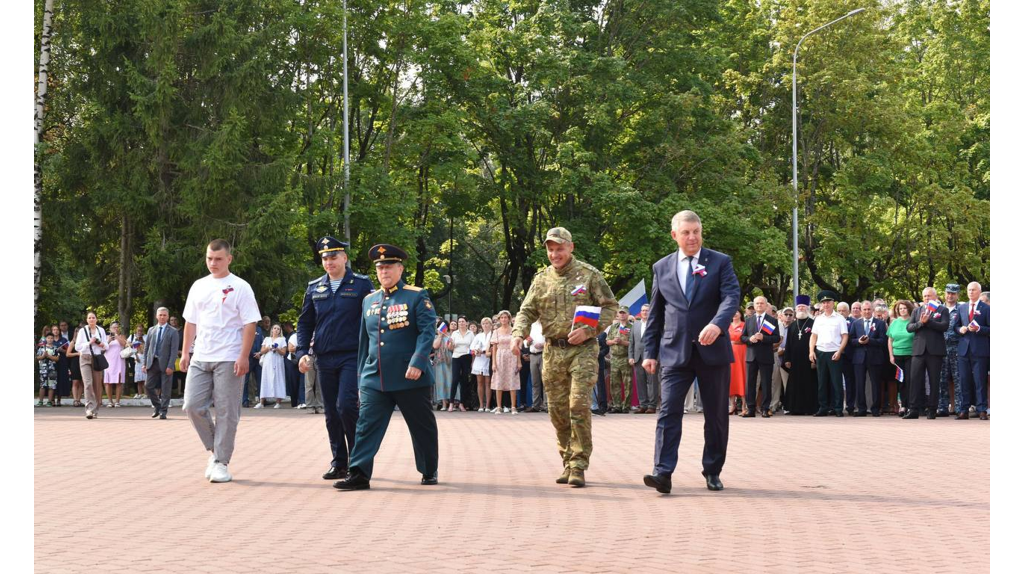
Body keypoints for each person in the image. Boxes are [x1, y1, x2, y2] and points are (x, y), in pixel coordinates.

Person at [640, 210, 739, 495]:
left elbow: (731, 297)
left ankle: (712, 470)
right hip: (674, 352)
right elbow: (656, 313)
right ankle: (663, 473)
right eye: (686, 232)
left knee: (716, 415)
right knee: (668, 412)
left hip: (713, 351)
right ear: (675, 235)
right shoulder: (662, 267)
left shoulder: (720, 262)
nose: (692, 237)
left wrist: (718, 325)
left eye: (696, 231)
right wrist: (650, 351)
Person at [510, 227, 617, 488]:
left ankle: (579, 464)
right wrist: (517, 334)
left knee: (578, 404)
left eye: (559, 248)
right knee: (557, 410)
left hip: (582, 350)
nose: (555, 254)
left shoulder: (589, 275)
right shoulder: (541, 279)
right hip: (551, 351)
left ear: (571, 247)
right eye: (550, 249)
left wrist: (589, 330)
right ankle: (567, 460)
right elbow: (526, 311)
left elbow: (611, 307)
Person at [333, 244, 440, 490]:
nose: (384, 271)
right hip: (375, 376)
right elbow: (364, 341)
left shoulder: (416, 295)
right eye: (380, 267)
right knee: (365, 426)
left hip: (409, 376)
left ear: (400, 268)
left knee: (421, 426)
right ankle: (359, 473)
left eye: (389, 266)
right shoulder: (369, 300)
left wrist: (418, 361)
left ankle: (428, 468)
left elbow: (427, 332)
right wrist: (361, 376)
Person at [180, 239, 261, 484]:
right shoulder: (198, 286)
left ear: (229, 259)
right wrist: (185, 353)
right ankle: (215, 451)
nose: (212, 263)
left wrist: (243, 355)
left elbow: (250, 323)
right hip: (201, 355)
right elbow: (190, 322)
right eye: (209, 258)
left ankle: (221, 462)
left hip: (229, 357)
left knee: (227, 412)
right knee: (192, 405)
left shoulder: (240, 287)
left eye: (217, 259)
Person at [296, 236, 375, 480]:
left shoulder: (361, 284)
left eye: (333, 257)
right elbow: (305, 323)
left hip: (352, 355)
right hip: (324, 357)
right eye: (325, 258)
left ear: (345, 258)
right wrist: (301, 353)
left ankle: (358, 461)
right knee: (331, 412)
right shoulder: (314, 287)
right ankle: (339, 462)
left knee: (346, 406)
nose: (329, 261)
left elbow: (372, 318)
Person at [903, 287, 949, 419]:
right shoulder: (917, 310)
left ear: (935, 297)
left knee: (934, 381)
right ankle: (913, 410)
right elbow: (909, 328)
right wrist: (921, 323)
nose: (927, 298)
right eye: (924, 296)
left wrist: (929, 321)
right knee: (915, 380)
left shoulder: (942, 310)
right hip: (918, 350)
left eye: (929, 296)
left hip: (935, 350)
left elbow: (944, 326)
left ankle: (932, 409)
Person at [809, 291, 848, 417]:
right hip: (820, 352)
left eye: (828, 302)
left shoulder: (840, 318)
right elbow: (813, 336)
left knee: (836, 382)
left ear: (833, 303)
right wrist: (811, 351)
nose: (826, 305)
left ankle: (838, 408)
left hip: (834, 352)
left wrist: (839, 351)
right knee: (822, 382)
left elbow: (845, 336)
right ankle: (823, 407)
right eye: (824, 302)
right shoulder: (818, 319)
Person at [741, 296, 780, 418]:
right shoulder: (748, 320)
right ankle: (750, 409)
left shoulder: (772, 320)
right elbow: (742, 337)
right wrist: (749, 339)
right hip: (751, 356)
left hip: (766, 356)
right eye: (757, 303)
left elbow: (776, 338)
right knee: (750, 384)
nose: (759, 305)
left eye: (761, 303)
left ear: (766, 305)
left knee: (766, 383)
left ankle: (765, 409)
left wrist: (764, 338)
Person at [955, 281, 990, 420]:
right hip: (964, 349)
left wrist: (979, 329)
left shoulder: (986, 308)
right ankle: (964, 410)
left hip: (980, 349)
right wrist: (960, 329)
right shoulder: (962, 307)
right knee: (964, 380)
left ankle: (982, 410)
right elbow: (955, 326)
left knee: (980, 381)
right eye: (969, 290)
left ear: (979, 292)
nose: (971, 292)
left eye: (974, 290)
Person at [847, 300, 888, 416]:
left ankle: (875, 409)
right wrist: (859, 342)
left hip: (875, 357)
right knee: (859, 384)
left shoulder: (879, 323)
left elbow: (883, 341)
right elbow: (851, 340)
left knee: (875, 384)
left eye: (869, 309)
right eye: (864, 309)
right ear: (861, 311)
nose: (867, 311)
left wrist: (870, 341)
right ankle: (861, 409)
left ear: (873, 310)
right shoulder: (856, 323)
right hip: (859, 358)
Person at [144, 308, 180, 420]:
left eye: (164, 315)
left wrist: (170, 365)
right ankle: (157, 406)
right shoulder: (151, 330)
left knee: (166, 389)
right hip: (152, 362)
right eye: (160, 315)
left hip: (166, 364)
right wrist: (145, 363)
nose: (162, 317)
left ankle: (163, 411)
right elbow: (147, 348)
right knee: (148, 386)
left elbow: (174, 351)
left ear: (168, 317)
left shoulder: (173, 331)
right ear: (156, 316)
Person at [783, 297, 817, 414]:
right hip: (795, 360)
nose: (801, 308)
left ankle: (809, 408)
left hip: (808, 359)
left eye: (803, 306)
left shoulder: (813, 324)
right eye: (799, 307)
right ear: (796, 309)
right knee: (794, 384)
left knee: (809, 383)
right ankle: (794, 408)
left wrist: (814, 360)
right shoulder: (792, 325)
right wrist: (787, 358)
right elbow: (788, 343)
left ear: (807, 308)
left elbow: (817, 342)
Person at [75, 312, 108, 419]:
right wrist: (89, 342)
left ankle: (96, 409)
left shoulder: (101, 330)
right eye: (89, 318)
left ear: (96, 319)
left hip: (96, 358)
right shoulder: (82, 331)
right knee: (88, 383)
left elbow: (106, 346)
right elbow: (77, 347)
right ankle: (89, 409)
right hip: (85, 358)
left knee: (97, 385)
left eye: (93, 317)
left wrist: (101, 344)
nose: (92, 319)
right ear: (87, 320)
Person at [886, 300, 915, 416]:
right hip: (897, 356)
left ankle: (910, 405)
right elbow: (890, 339)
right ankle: (903, 405)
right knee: (901, 381)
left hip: (910, 355)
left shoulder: (913, 322)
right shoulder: (894, 323)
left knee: (909, 380)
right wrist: (891, 355)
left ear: (909, 309)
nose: (902, 310)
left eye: (904, 308)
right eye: (900, 309)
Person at [630, 304, 659, 414]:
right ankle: (643, 405)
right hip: (638, 358)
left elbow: (659, 342)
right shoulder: (635, 325)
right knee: (640, 382)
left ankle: (652, 405)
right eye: (642, 310)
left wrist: (656, 358)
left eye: (647, 310)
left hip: (651, 357)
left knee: (652, 382)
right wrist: (631, 356)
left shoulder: (655, 324)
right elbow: (632, 343)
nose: (644, 312)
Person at [489, 310, 520, 414]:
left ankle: (513, 407)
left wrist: (519, 362)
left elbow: (517, 347)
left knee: (512, 380)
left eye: (505, 317)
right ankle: (498, 407)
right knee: (499, 381)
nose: (503, 319)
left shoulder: (514, 331)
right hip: (500, 356)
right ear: (499, 319)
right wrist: (493, 363)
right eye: (501, 318)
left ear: (509, 319)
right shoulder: (496, 331)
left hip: (512, 356)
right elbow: (494, 348)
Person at [939, 284, 962, 417]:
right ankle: (943, 407)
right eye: (948, 293)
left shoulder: (961, 309)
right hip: (940, 347)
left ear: (957, 295)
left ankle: (960, 407)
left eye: (953, 293)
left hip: (956, 347)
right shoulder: (939, 309)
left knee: (958, 378)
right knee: (942, 379)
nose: (950, 296)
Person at [607, 307, 633, 413]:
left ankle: (626, 406)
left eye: (624, 313)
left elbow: (634, 343)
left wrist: (622, 342)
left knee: (628, 383)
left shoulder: (632, 327)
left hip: (625, 358)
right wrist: (613, 341)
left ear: (627, 314)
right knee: (614, 383)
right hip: (614, 359)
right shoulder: (614, 327)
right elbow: (607, 341)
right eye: (620, 313)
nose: (622, 315)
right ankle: (617, 405)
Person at [256, 324, 288, 409]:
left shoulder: (282, 339)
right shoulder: (267, 339)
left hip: (277, 361)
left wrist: (277, 349)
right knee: (265, 379)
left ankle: (278, 402)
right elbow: (262, 351)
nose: (276, 330)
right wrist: (268, 348)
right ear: (272, 330)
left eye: (278, 329)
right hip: (268, 361)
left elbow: (284, 353)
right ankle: (261, 402)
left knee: (278, 379)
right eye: (275, 328)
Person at [448, 317, 475, 411]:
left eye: (463, 321)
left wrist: (472, 361)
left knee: (464, 381)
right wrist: (451, 344)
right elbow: (450, 348)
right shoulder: (454, 333)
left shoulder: (471, 333)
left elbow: (473, 348)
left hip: (466, 357)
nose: (461, 323)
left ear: (466, 323)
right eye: (459, 321)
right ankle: (451, 403)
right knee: (455, 379)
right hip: (456, 357)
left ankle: (461, 403)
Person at [770, 307, 793, 413]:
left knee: (787, 383)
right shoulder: (776, 326)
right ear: (781, 316)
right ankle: (773, 405)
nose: (788, 316)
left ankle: (788, 406)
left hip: (787, 359)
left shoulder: (795, 327)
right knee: (775, 382)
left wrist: (784, 350)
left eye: (790, 314)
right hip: (775, 356)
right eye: (786, 314)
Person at [101, 322, 127, 408]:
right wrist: (109, 340)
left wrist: (116, 336)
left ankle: (117, 401)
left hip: (119, 361)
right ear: (110, 328)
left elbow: (124, 344)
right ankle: (109, 401)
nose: (115, 329)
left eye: (117, 327)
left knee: (119, 381)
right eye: (113, 327)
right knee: (108, 382)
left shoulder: (121, 336)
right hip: (108, 361)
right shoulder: (106, 338)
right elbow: (102, 349)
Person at [470, 317, 493, 412]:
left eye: (487, 323)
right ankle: (480, 405)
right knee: (480, 382)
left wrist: (485, 351)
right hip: (479, 359)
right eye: (484, 323)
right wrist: (476, 351)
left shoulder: (493, 334)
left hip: (488, 359)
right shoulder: (478, 335)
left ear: (491, 325)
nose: (485, 325)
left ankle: (487, 405)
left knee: (488, 382)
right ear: (481, 325)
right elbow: (471, 347)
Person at [727, 311, 747, 415]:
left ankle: (744, 405)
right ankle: (732, 405)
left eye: (737, 311)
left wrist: (737, 342)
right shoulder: (727, 325)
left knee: (742, 377)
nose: (734, 314)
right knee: (731, 378)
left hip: (742, 353)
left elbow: (747, 338)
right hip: (729, 354)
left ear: (741, 313)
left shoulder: (745, 325)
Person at [432, 319, 453, 410]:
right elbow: (435, 346)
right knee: (441, 381)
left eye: (444, 326)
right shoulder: (436, 337)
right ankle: (444, 404)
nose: (443, 328)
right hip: (439, 361)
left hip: (449, 360)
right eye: (441, 326)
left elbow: (451, 348)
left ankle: (452, 402)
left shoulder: (451, 336)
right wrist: (440, 336)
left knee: (450, 380)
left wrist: (450, 340)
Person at [526, 320, 546, 412]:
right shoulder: (532, 325)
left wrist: (543, 345)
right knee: (535, 382)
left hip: (544, 354)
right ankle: (535, 405)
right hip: (533, 355)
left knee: (545, 381)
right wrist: (528, 342)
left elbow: (552, 340)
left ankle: (547, 405)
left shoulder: (547, 323)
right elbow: (525, 343)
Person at [36, 331, 59, 407]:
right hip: (43, 370)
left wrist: (49, 356)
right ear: (46, 339)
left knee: (51, 386)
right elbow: (37, 357)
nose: (50, 339)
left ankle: (49, 401)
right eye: (48, 338)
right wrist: (43, 356)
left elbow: (57, 358)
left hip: (52, 370)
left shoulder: (55, 348)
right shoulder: (42, 348)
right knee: (42, 385)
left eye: (51, 338)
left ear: (53, 339)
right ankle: (40, 401)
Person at [51, 324, 71, 406]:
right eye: (54, 330)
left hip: (62, 363)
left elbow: (68, 351)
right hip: (52, 364)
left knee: (60, 381)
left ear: (59, 331)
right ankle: (52, 400)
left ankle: (59, 399)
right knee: (52, 381)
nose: (55, 331)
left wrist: (62, 350)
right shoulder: (50, 340)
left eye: (57, 330)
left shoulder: (64, 340)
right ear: (52, 331)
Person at [66, 324, 84, 407]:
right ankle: (75, 399)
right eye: (77, 331)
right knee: (75, 381)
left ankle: (79, 400)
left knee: (82, 382)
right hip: (75, 363)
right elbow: (68, 354)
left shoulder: (85, 342)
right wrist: (77, 354)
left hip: (83, 362)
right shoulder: (73, 342)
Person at [127, 324, 146, 399]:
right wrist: (132, 344)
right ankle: (137, 393)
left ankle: (145, 393)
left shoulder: (146, 337)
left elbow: (148, 346)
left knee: (144, 377)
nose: (139, 332)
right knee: (135, 375)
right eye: (138, 330)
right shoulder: (132, 336)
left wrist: (142, 341)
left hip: (143, 358)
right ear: (136, 330)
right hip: (134, 358)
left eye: (141, 330)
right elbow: (127, 344)